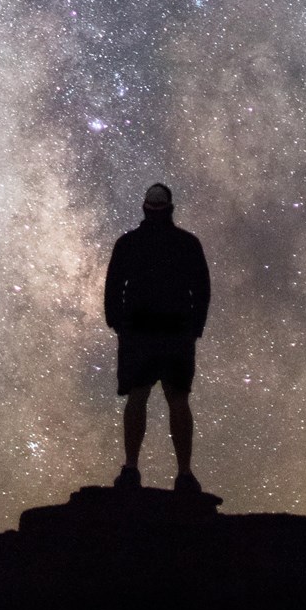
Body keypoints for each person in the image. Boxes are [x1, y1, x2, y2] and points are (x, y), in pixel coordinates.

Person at [104, 183, 211, 494]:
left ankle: (131, 468)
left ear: (144, 209)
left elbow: (113, 288)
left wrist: (118, 322)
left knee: (138, 396)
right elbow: (201, 290)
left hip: (139, 332)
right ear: (171, 208)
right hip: (176, 332)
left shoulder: (128, 244)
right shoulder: (187, 244)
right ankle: (185, 474)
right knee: (177, 398)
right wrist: (194, 326)